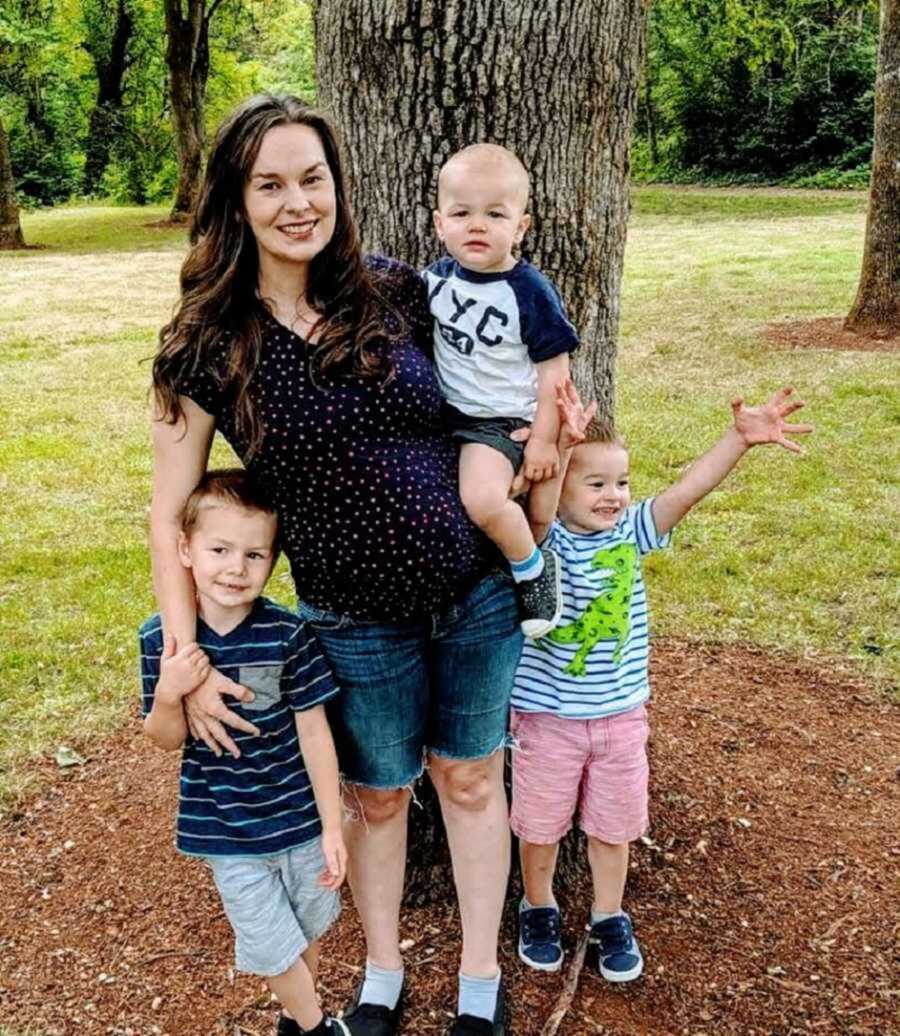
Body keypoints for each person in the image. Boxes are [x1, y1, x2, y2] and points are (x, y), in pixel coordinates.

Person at [150, 94, 521, 1036]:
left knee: (472, 780)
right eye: (269, 184)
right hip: (353, 620)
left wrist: (544, 436)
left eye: (312, 179)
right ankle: (384, 973)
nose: (297, 202)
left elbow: (494, 392)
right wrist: (185, 666)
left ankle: (481, 978)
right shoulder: (206, 345)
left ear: (338, 186)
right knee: (380, 795)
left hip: (473, 591)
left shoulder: (403, 292)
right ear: (236, 199)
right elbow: (166, 517)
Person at [511, 383, 812, 982]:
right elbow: (538, 510)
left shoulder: (633, 532)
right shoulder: (542, 542)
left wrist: (739, 439)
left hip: (622, 717)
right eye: (595, 484)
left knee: (613, 824)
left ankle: (607, 915)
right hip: (548, 719)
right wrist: (563, 445)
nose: (613, 496)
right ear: (565, 485)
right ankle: (537, 905)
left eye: (621, 483)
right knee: (539, 825)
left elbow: (687, 491)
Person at [140, 469, 348, 1036]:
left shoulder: (289, 635)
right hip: (225, 828)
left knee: (305, 932)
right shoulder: (163, 641)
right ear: (185, 549)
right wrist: (168, 692)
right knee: (267, 940)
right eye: (219, 549)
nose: (236, 568)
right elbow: (163, 738)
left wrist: (332, 826)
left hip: (299, 821)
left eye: (254, 555)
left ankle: (293, 1022)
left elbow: (315, 732)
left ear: (273, 561)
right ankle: (319, 1026)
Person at [424, 143, 580, 639]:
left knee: (484, 500)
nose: (476, 225)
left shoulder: (529, 291)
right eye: (461, 213)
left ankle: (532, 568)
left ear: (521, 227)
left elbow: (555, 372)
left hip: (496, 423)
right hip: (442, 416)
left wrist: (541, 441)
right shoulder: (433, 280)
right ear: (438, 223)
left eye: (495, 214)